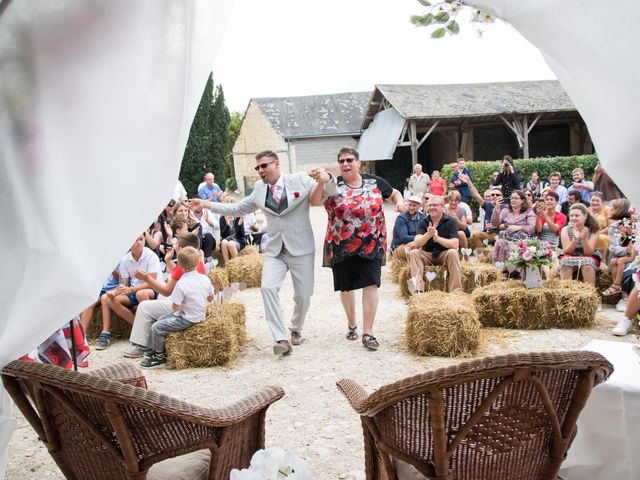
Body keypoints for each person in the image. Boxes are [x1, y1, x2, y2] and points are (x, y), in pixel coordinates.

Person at [189, 150, 321, 356]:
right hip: (276, 250)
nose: (260, 171)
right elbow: (237, 209)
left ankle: (296, 328)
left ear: (277, 164)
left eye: (264, 166)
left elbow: (321, 196)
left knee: (304, 296)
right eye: (257, 167)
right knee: (267, 287)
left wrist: (326, 178)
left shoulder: (300, 180)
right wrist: (207, 204)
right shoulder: (259, 189)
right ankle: (281, 338)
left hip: (301, 248)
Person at [310, 147, 404, 351]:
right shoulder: (333, 184)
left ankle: (368, 332)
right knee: (346, 287)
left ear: (358, 163)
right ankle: (352, 323)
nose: (345, 164)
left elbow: (394, 193)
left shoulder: (374, 182)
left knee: (371, 284)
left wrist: (399, 202)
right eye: (342, 161)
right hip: (341, 244)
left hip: (372, 242)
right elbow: (315, 201)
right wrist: (321, 182)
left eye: (349, 160)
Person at [125, 232, 205, 358]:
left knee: (144, 307)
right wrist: (168, 260)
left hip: (183, 308)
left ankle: (142, 346)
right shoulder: (197, 262)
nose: (175, 247)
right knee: (154, 303)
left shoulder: (182, 266)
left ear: (182, 249)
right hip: (194, 305)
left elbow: (166, 291)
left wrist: (147, 278)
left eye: (177, 245)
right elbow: (178, 274)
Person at [139, 247, 214, 369]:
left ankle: (159, 357)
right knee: (162, 318)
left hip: (187, 318)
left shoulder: (181, 283)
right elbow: (210, 297)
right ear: (197, 263)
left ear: (180, 265)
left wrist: (179, 311)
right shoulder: (204, 278)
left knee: (157, 327)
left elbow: (175, 308)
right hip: (200, 314)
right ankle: (153, 347)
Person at [96, 235, 160, 350]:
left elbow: (152, 282)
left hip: (153, 289)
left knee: (141, 294)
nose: (139, 242)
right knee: (106, 298)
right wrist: (115, 292)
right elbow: (124, 284)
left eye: (141, 239)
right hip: (133, 289)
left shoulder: (151, 255)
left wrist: (131, 289)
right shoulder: (126, 259)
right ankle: (108, 333)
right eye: (135, 240)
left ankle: (148, 332)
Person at [408, 195, 462, 292]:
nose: (432, 207)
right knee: (414, 252)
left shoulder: (451, 221)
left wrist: (437, 238)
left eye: (435, 205)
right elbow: (416, 243)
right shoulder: (423, 222)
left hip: (444, 254)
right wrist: (428, 234)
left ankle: (456, 291)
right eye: (430, 205)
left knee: (453, 253)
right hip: (427, 254)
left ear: (442, 207)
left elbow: (455, 244)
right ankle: (418, 290)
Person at [559, 203, 601, 286]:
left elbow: (588, 253)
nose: (573, 218)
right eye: (571, 216)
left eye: (577, 215)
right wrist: (575, 239)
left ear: (585, 216)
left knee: (587, 263)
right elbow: (567, 252)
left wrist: (584, 239)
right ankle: (564, 291)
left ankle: (590, 292)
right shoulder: (565, 229)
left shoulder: (594, 230)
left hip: (589, 256)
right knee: (566, 261)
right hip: (571, 255)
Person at [459, 171, 502, 250]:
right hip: (488, 233)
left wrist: (496, 226)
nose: (495, 196)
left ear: (502, 196)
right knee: (475, 235)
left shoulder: (506, 207)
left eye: (497, 194)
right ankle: (482, 257)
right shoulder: (487, 205)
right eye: (492, 195)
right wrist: (469, 183)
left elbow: (510, 224)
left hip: (501, 234)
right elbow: (476, 195)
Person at [491, 190, 536, 264]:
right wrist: (497, 208)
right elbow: (495, 223)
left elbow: (532, 228)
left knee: (515, 245)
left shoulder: (528, 211)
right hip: (507, 238)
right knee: (500, 242)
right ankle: (500, 267)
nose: (513, 200)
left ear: (522, 200)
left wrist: (519, 227)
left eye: (516, 198)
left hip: (522, 239)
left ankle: (514, 269)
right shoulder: (505, 211)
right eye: (511, 198)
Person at [602, 199, 634, 297]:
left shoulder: (634, 224)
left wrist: (629, 234)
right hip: (621, 254)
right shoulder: (614, 227)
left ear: (621, 210)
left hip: (634, 255)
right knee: (613, 261)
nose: (609, 210)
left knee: (621, 262)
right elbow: (613, 247)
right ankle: (619, 291)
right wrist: (625, 250)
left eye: (612, 208)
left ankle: (617, 287)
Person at [391, 195, 425, 260]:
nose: (411, 207)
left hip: (417, 244)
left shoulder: (423, 217)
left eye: (414, 205)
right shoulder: (401, 218)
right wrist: (420, 238)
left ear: (420, 206)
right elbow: (404, 238)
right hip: (400, 246)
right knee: (415, 245)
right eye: (409, 205)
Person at [588, 191, 610, 260]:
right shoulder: (587, 211)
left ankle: (602, 260)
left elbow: (611, 226)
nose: (595, 202)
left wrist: (597, 233)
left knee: (601, 238)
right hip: (588, 234)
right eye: (593, 200)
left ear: (602, 202)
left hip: (604, 234)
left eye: (597, 201)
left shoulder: (607, 210)